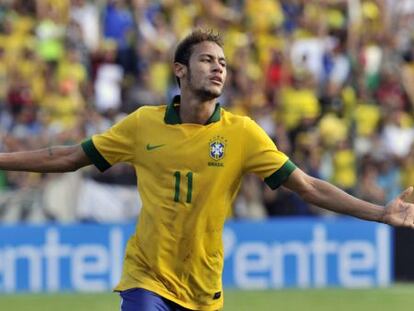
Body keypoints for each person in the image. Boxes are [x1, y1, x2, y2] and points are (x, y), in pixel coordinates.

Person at [1, 29, 414, 311]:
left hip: (203, 290)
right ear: (180, 70)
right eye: (207, 60)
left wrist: (379, 213)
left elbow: (307, 187)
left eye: (223, 62)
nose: (218, 68)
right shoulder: (142, 123)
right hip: (147, 279)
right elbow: (68, 156)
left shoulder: (244, 134)